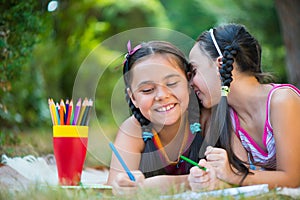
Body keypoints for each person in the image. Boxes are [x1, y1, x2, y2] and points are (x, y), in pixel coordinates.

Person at [187, 23, 300, 191]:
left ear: (221, 65)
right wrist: (214, 175)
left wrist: (232, 175)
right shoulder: (231, 117)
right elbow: (244, 175)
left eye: (194, 71)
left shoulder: (282, 100)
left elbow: (292, 178)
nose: (190, 83)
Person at [107, 41, 207, 195]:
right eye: (147, 90)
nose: (162, 95)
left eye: (172, 83)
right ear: (133, 97)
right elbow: (114, 188)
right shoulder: (134, 130)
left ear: (188, 82)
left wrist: (165, 184)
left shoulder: (206, 119)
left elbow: (233, 175)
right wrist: (122, 186)